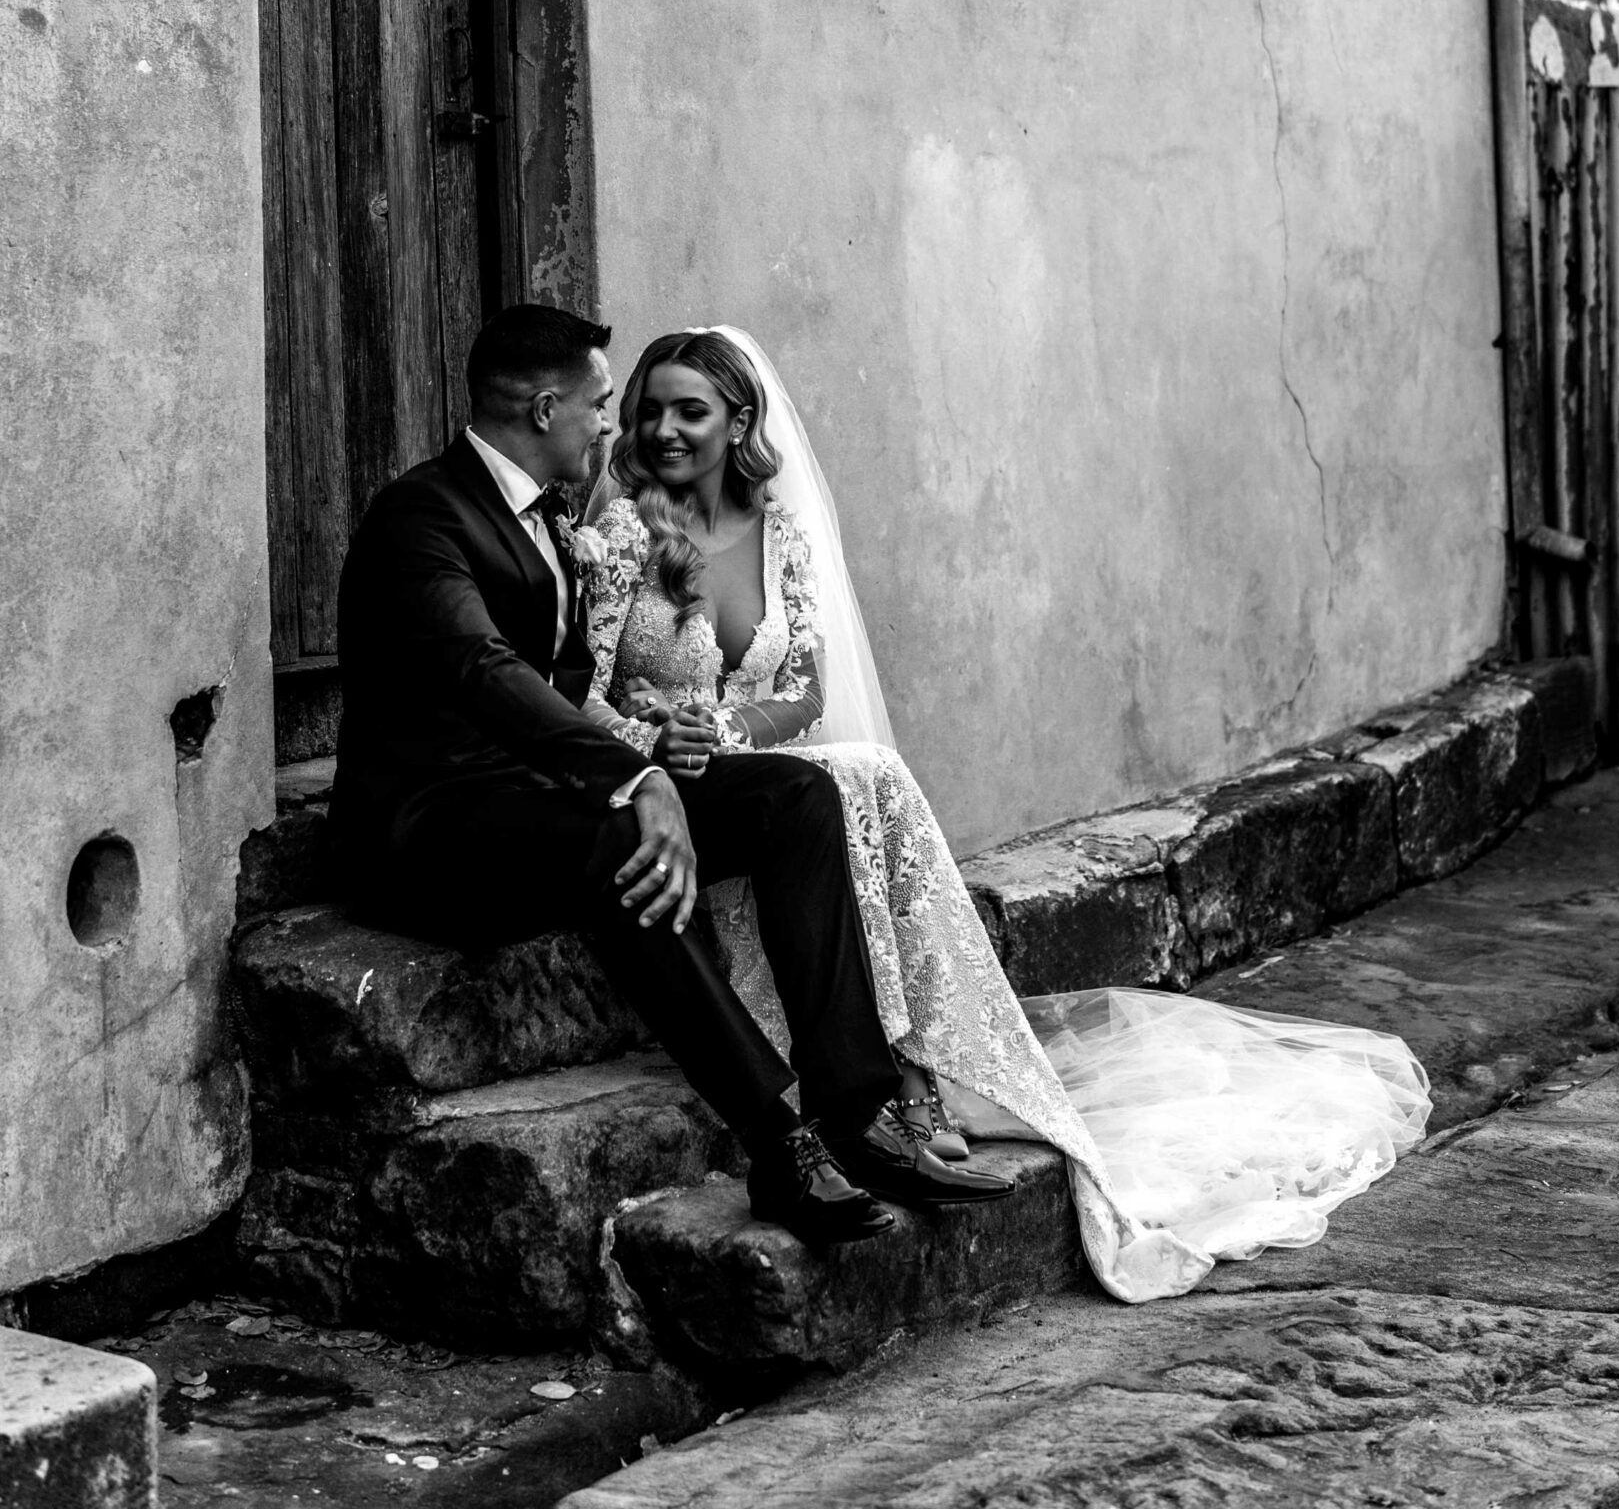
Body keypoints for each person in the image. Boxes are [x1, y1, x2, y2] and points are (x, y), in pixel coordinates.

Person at [584, 326, 1432, 1305]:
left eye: (691, 409)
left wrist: (730, 725)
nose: (666, 427)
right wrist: (658, 746)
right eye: (651, 409)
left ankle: (900, 1072)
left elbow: (807, 685)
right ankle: (898, 1082)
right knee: (861, 776)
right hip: (679, 787)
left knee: (855, 774)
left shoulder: (780, 529)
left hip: (759, 764)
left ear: (740, 419)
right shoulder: (623, 533)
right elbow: (583, 686)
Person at [329, 302, 1015, 1251]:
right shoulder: (421, 514)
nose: (614, 429)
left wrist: (655, 750)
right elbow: (485, 672)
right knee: (625, 834)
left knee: (794, 796)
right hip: (429, 829)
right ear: (543, 408)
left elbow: (577, 680)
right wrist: (634, 780)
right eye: (602, 406)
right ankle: (780, 1140)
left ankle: (855, 1111)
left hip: (535, 800)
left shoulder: (554, 517)